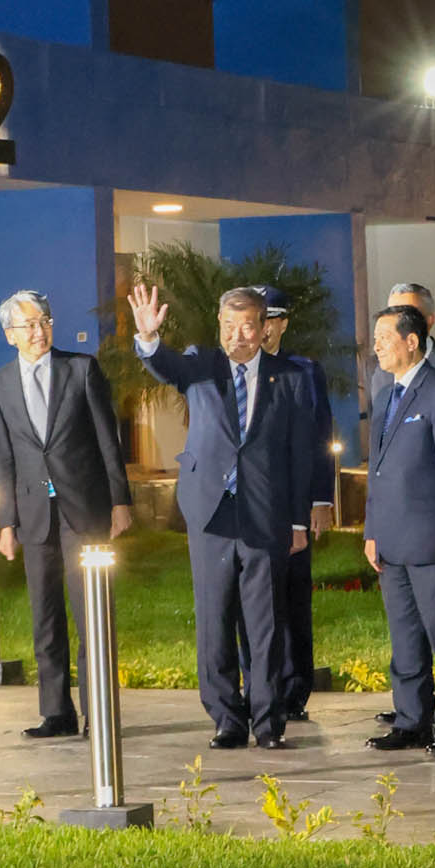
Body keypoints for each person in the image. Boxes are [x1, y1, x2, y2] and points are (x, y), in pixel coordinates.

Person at [130, 277, 314, 751]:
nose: (238, 336)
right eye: (229, 326)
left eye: (248, 326)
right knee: (214, 617)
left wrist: (298, 521)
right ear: (219, 325)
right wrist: (149, 337)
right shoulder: (202, 366)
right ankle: (226, 718)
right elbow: (164, 365)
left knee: (265, 622)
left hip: (265, 513)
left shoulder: (288, 378)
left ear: (264, 328)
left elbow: (300, 454)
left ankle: (268, 721)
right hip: (211, 510)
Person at [0, 289, 133, 740]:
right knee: (44, 615)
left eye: (44, 321)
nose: (39, 331)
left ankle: (97, 710)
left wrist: (120, 501)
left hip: (82, 508)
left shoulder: (81, 370)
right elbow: (2, 458)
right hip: (33, 514)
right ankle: (56, 712)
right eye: (28, 325)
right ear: (10, 335)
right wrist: (6, 523)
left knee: (90, 611)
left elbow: (109, 440)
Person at [362, 303, 435, 756]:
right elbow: (377, 470)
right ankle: (411, 719)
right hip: (392, 540)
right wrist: (372, 531)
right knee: (405, 637)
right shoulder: (386, 394)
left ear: (412, 342)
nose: (376, 346)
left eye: (385, 338)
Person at [252, 286, 334, 722]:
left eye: (271, 320)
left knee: (293, 597)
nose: (263, 329)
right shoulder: (235, 368)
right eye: (257, 319)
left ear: (282, 324)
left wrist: (320, 500)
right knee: (253, 599)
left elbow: (320, 437)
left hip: (293, 502)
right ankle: (259, 682)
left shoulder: (303, 370)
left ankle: (294, 685)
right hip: (249, 505)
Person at [369, 282, 435, 403]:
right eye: (391, 312)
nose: (397, 321)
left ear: (429, 320)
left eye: (407, 314)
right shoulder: (379, 371)